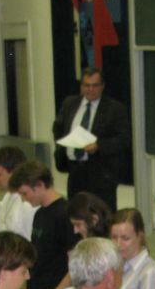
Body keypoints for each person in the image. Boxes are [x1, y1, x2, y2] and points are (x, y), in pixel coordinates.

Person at [9, 160, 78, 289]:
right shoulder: (39, 213)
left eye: (25, 193)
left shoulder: (65, 214)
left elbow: (75, 267)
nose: (24, 200)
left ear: (39, 185)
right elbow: (34, 260)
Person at [52, 66, 130, 212]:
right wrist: (63, 143)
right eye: (86, 85)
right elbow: (58, 128)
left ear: (102, 86)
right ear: (81, 86)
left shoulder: (115, 109)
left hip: (101, 174)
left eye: (95, 85)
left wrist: (99, 146)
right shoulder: (69, 103)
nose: (90, 89)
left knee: (101, 213)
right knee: (75, 211)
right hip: (75, 171)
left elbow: (123, 140)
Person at [0, 145, 36, 289]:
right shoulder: (8, 197)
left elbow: (32, 250)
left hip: (21, 283)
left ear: (15, 172)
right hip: (6, 280)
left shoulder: (27, 205)